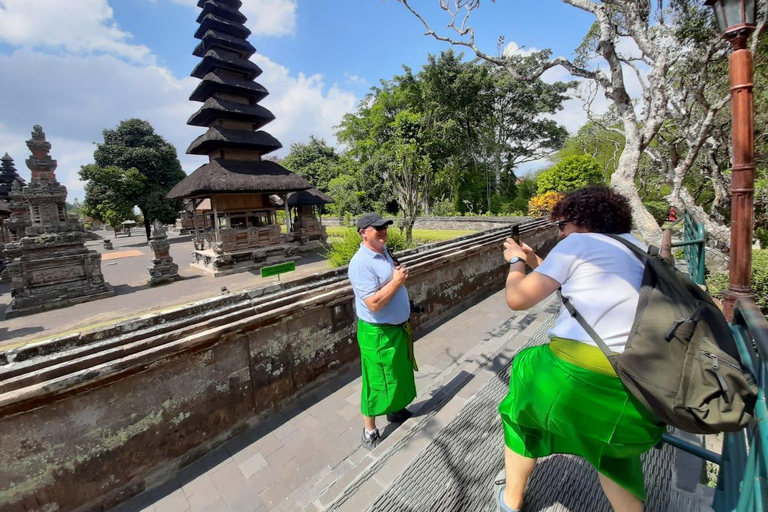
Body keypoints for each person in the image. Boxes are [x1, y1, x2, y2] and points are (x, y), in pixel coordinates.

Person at [495, 186, 665, 512]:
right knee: (613, 455)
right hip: (640, 393)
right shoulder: (640, 248)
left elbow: (517, 298)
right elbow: (576, 280)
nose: (560, 234)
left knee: (524, 380)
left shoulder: (577, 243)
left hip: (578, 384)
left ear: (583, 221)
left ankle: (511, 500)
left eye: (562, 225)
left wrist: (516, 262)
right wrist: (534, 260)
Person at [348, 212, 417, 450]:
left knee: (397, 373)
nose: (383, 232)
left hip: (396, 329)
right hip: (377, 333)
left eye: (385, 227)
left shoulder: (383, 251)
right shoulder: (360, 263)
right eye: (377, 229)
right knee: (376, 380)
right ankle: (369, 430)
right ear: (363, 232)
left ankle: (395, 410)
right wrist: (397, 282)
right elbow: (373, 304)